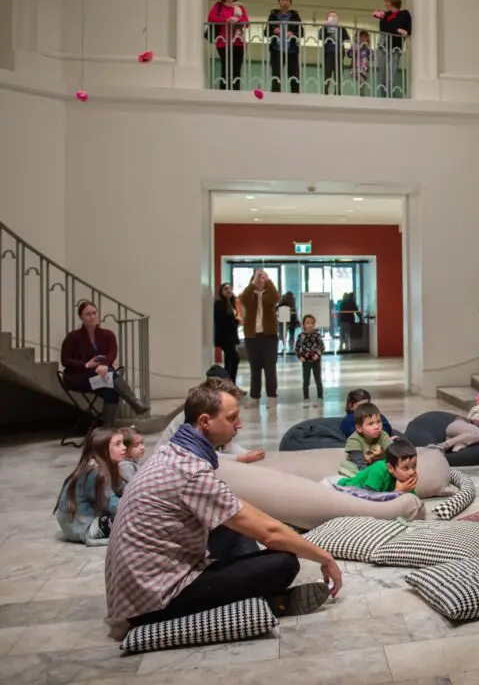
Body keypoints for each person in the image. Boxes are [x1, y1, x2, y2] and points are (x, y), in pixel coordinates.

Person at [105, 378, 342, 637]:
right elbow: (269, 533)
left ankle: (251, 594)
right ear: (205, 421)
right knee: (284, 562)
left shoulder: (173, 451)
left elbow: (241, 514)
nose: (239, 425)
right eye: (232, 418)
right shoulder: (191, 472)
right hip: (151, 603)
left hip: (139, 588)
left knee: (234, 525)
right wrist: (325, 557)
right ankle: (264, 602)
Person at [61, 301, 150, 425]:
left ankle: (106, 430)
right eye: (87, 314)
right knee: (110, 374)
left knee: (111, 391)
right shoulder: (73, 336)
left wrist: (103, 365)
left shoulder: (108, 335)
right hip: (78, 378)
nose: (92, 317)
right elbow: (65, 360)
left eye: (94, 313)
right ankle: (134, 402)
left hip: (101, 376)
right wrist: (87, 365)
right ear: (81, 317)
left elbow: (112, 354)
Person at [54, 427, 125, 545]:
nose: (124, 447)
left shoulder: (104, 466)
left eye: (123, 443)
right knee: (135, 520)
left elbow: (121, 488)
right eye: (118, 444)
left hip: (79, 522)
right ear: (102, 449)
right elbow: (113, 505)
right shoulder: (95, 472)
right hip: (82, 526)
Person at [239, 269, 280, 410]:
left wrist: (268, 282)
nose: (260, 281)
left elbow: (276, 298)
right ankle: (254, 397)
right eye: (258, 279)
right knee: (254, 368)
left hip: (269, 336)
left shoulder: (269, 294)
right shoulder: (249, 295)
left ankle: (272, 397)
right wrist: (253, 283)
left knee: (270, 367)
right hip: (252, 337)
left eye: (263, 279)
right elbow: (243, 298)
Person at [335, 439, 418, 494]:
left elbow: (413, 501)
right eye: (405, 468)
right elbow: (369, 498)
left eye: (414, 466)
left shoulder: (405, 477)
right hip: (347, 488)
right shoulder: (378, 470)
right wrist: (398, 492)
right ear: (390, 468)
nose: (412, 472)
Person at [207, 0, 248, 90]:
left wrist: (237, 20)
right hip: (223, 42)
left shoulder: (240, 7)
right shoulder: (218, 6)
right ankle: (223, 93)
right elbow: (211, 18)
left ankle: (236, 94)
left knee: (236, 70)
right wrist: (226, 20)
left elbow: (246, 22)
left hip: (238, 42)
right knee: (226, 69)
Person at [376, 0, 411, 97]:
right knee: (382, 76)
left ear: (391, 2)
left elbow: (405, 30)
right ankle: (383, 98)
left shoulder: (404, 14)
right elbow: (384, 29)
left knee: (391, 75)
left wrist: (403, 31)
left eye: (386, 2)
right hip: (383, 46)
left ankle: (390, 97)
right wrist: (397, 30)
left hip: (395, 48)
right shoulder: (385, 15)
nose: (385, 4)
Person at [266, 0, 302, 93]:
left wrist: (293, 33)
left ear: (290, 3)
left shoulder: (295, 16)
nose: (285, 2)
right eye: (282, 0)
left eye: (287, 0)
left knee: (294, 76)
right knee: (276, 76)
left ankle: (296, 100)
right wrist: (274, 30)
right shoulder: (273, 16)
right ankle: (275, 99)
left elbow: (301, 32)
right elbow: (266, 31)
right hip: (276, 50)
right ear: (279, 2)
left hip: (292, 51)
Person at [344, 404, 392, 470]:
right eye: (371, 424)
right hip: (359, 467)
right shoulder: (354, 440)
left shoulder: (383, 435)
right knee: (346, 466)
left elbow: (392, 453)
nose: (376, 427)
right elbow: (360, 463)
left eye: (378, 422)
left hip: (376, 466)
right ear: (359, 428)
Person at [213, 282, 242, 382]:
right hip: (225, 337)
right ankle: (230, 382)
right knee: (235, 359)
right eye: (226, 289)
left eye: (230, 288)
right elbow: (221, 321)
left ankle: (228, 383)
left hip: (231, 336)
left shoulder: (231, 303)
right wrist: (236, 320)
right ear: (221, 291)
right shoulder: (219, 303)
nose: (229, 290)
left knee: (229, 360)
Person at [295, 314, 325, 406]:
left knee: (318, 379)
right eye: (308, 323)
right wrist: (300, 356)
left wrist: (317, 355)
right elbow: (297, 348)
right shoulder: (301, 336)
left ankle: (320, 397)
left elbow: (322, 347)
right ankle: (306, 397)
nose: (310, 325)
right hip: (306, 361)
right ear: (303, 324)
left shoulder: (317, 336)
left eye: (312, 323)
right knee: (306, 379)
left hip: (316, 361)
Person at [320, 12, 349, 95]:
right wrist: (324, 27)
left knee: (338, 75)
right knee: (327, 74)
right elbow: (320, 36)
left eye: (334, 17)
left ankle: (338, 93)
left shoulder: (341, 28)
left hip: (339, 53)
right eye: (331, 17)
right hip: (328, 53)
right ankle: (325, 92)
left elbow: (347, 38)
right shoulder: (325, 27)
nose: (333, 18)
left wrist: (341, 28)